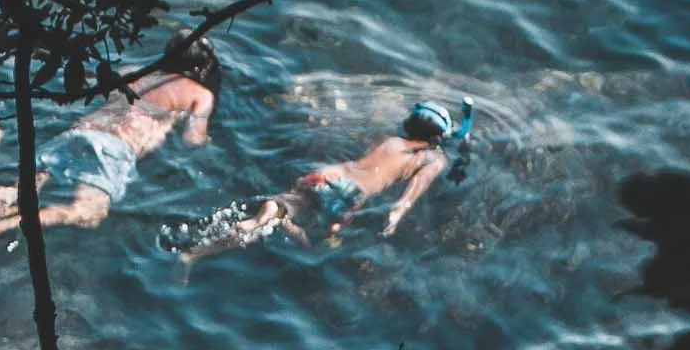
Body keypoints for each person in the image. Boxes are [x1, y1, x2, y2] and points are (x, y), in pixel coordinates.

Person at [0, 32, 219, 264]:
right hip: (114, 148)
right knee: (88, 212)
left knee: (14, 193)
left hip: (79, 131)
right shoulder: (199, 94)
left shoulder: (132, 70)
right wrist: (205, 140)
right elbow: (193, 140)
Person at [162, 97, 469, 262]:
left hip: (328, 173)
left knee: (268, 213)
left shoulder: (389, 139)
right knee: (322, 246)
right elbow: (413, 191)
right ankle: (287, 227)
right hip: (350, 194)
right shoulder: (433, 158)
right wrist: (397, 213)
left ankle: (195, 252)